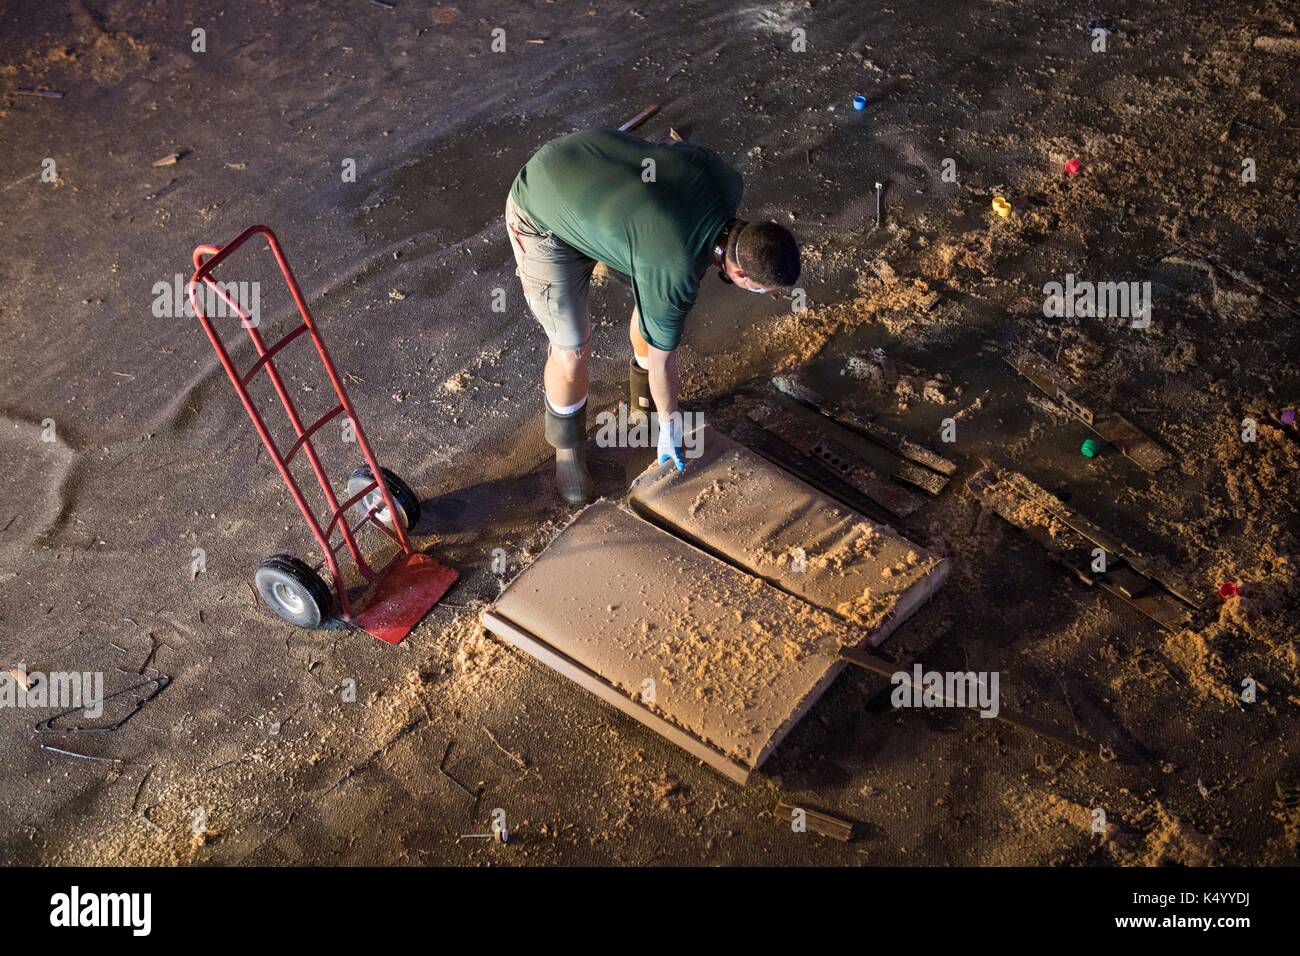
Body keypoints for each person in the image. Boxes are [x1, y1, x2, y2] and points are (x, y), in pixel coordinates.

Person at [505, 128, 800, 504]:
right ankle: (568, 449)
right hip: (541, 212)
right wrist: (672, 423)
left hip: (588, 171)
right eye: (759, 289)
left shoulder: (726, 180)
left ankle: (643, 404)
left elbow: (673, 151)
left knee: (656, 309)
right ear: (741, 274)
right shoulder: (675, 268)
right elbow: (664, 362)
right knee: (572, 348)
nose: (756, 294)